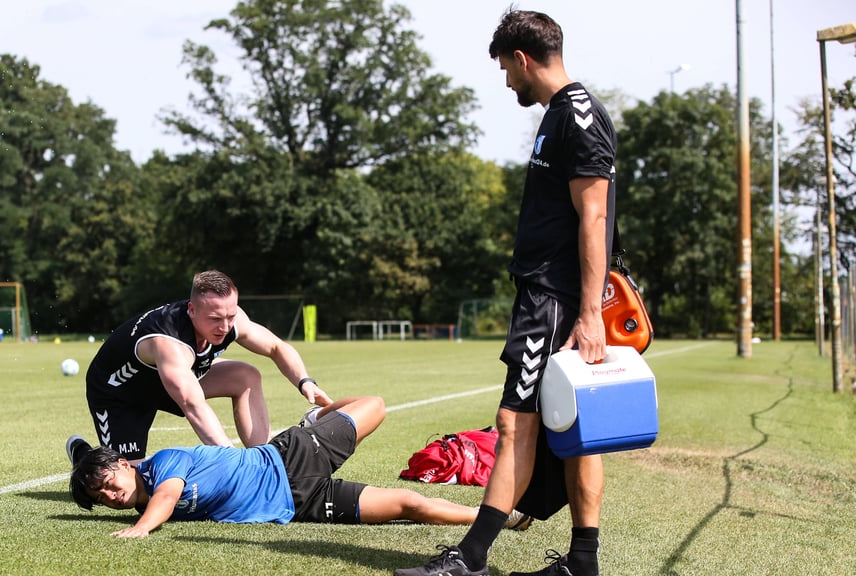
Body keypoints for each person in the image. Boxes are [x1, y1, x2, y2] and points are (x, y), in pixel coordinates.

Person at [395, 9, 616, 576]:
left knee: (516, 422)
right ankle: (582, 565)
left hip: (556, 298)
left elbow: (595, 217)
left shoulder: (579, 117)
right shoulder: (559, 114)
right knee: (574, 432)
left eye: (505, 70)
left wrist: (589, 313)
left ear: (522, 58)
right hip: (551, 294)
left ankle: (471, 559)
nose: (507, 82)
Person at [67, 396, 531, 537]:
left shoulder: (163, 464)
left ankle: (318, 414)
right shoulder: (133, 494)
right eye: (100, 498)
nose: (110, 496)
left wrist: (138, 530)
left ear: (126, 464)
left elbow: (166, 496)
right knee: (410, 504)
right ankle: (504, 517)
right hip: (301, 503)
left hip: (290, 456)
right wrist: (85, 468)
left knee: (374, 406)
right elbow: (143, 497)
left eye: (107, 483)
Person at [68, 270, 332, 464]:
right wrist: (234, 465)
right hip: (122, 393)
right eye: (215, 318)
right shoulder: (168, 342)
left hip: (174, 378)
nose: (225, 326)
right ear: (192, 309)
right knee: (131, 487)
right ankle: (84, 457)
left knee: (245, 375)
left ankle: (263, 460)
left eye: (230, 316)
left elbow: (276, 347)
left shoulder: (230, 319)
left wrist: (305, 381)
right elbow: (192, 404)